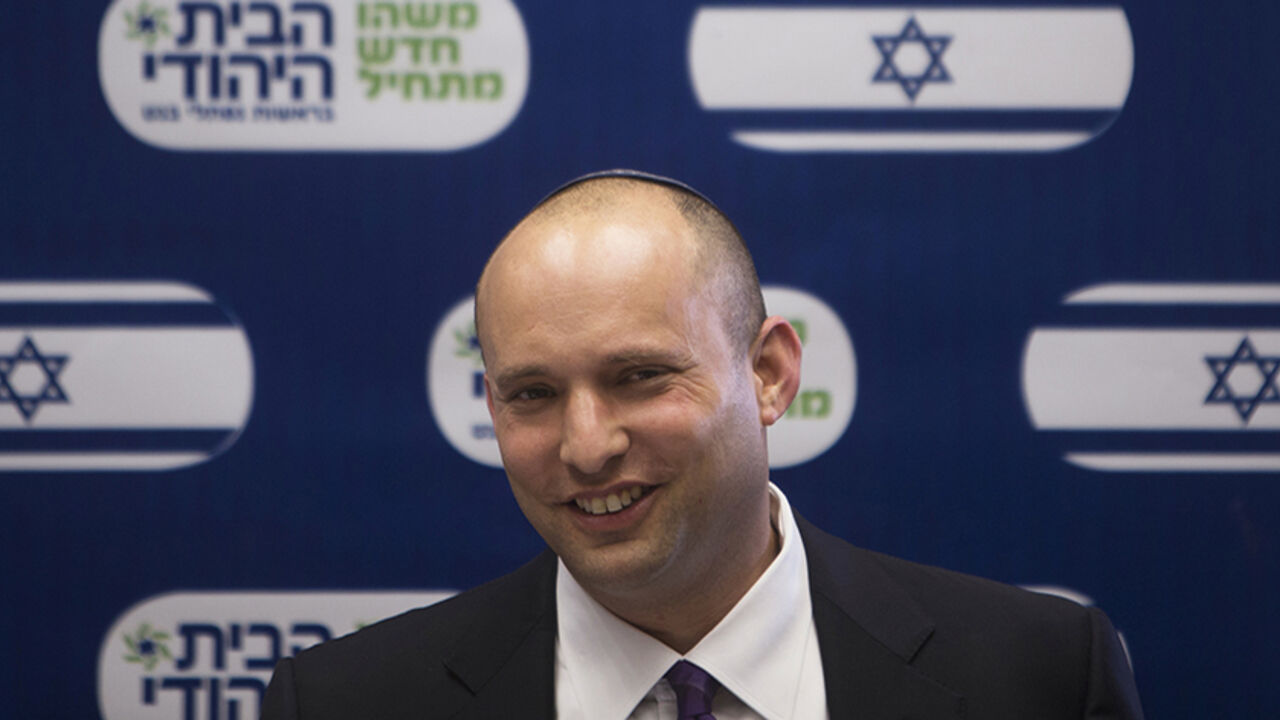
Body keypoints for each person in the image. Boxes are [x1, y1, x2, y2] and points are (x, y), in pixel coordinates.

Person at [261, 170, 1144, 719]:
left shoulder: (1042, 680)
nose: (587, 444)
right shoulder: (346, 702)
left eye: (639, 376)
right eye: (532, 393)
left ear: (769, 374)